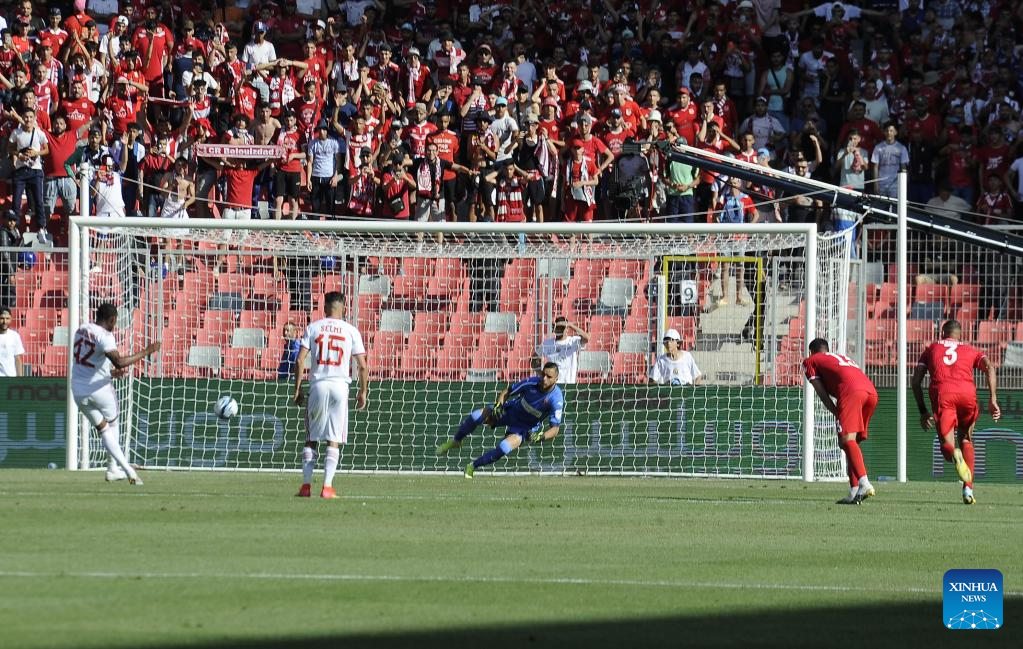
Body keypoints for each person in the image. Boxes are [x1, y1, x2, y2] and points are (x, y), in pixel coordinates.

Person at [911, 320, 1001, 505]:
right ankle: (968, 488)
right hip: (967, 395)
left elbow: (915, 382)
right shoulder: (970, 350)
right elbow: (990, 367)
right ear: (960, 334)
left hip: (944, 395)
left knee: (948, 447)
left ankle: (955, 453)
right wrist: (993, 399)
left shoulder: (932, 349)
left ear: (942, 332)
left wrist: (922, 411)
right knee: (967, 439)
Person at [71, 303, 160, 483]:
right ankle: (119, 468)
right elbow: (119, 361)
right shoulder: (106, 336)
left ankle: (118, 470)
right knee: (113, 425)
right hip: (100, 390)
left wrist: (110, 373)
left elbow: (88, 364)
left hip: (78, 391)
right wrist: (147, 351)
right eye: (115, 321)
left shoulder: (81, 329)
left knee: (103, 429)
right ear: (112, 319)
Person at [292, 291, 369, 499]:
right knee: (333, 438)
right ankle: (327, 487)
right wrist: (363, 392)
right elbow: (362, 366)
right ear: (344, 308)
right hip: (340, 387)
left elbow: (300, 361)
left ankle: (306, 486)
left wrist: (297, 389)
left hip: (318, 384)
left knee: (311, 438)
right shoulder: (351, 330)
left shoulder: (313, 327)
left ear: (325, 307)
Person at [436, 362, 564, 479]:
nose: (544, 379)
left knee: (504, 447)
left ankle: (472, 466)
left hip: (525, 427)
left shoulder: (556, 398)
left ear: (556, 379)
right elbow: (507, 391)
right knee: (476, 416)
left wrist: (541, 436)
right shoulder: (531, 382)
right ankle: (456, 441)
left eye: (549, 377)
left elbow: (555, 429)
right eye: (543, 374)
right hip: (510, 412)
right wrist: (498, 405)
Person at [803, 338, 878, 504]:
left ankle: (864, 483)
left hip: (851, 392)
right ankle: (854, 490)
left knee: (846, 440)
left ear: (811, 352)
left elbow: (821, 392)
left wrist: (836, 411)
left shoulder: (811, 361)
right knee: (851, 444)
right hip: (871, 393)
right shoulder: (842, 358)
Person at [7, 108, 49, 243]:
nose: (28, 120)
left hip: (35, 170)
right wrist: (18, 154)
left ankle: (41, 228)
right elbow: (9, 148)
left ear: (34, 118)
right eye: (26, 117)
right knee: (16, 201)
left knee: (38, 200)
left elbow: (47, 150)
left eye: (31, 117)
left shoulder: (39, 133)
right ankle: (15, 228)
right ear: (22, 118)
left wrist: (36, 153)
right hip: (20, 171)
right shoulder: (16, 133)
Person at [537, 317, 589, 384]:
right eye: (558, 327)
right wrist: (542, 374)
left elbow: (586, 338)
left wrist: (571, 325)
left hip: (569, 383)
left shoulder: (573, 341)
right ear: (554, 328)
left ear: (567, 329)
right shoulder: (547, 343)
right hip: (552, 384)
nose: (559, 330)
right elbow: (533, 360)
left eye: (562, 327)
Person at [0, 306, 25, 377]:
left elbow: (18, 359)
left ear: (11, 319)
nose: (4, 321)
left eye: (7, 318)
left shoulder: (15, 336)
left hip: (10, 378)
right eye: (2, 318)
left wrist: (20, 379)